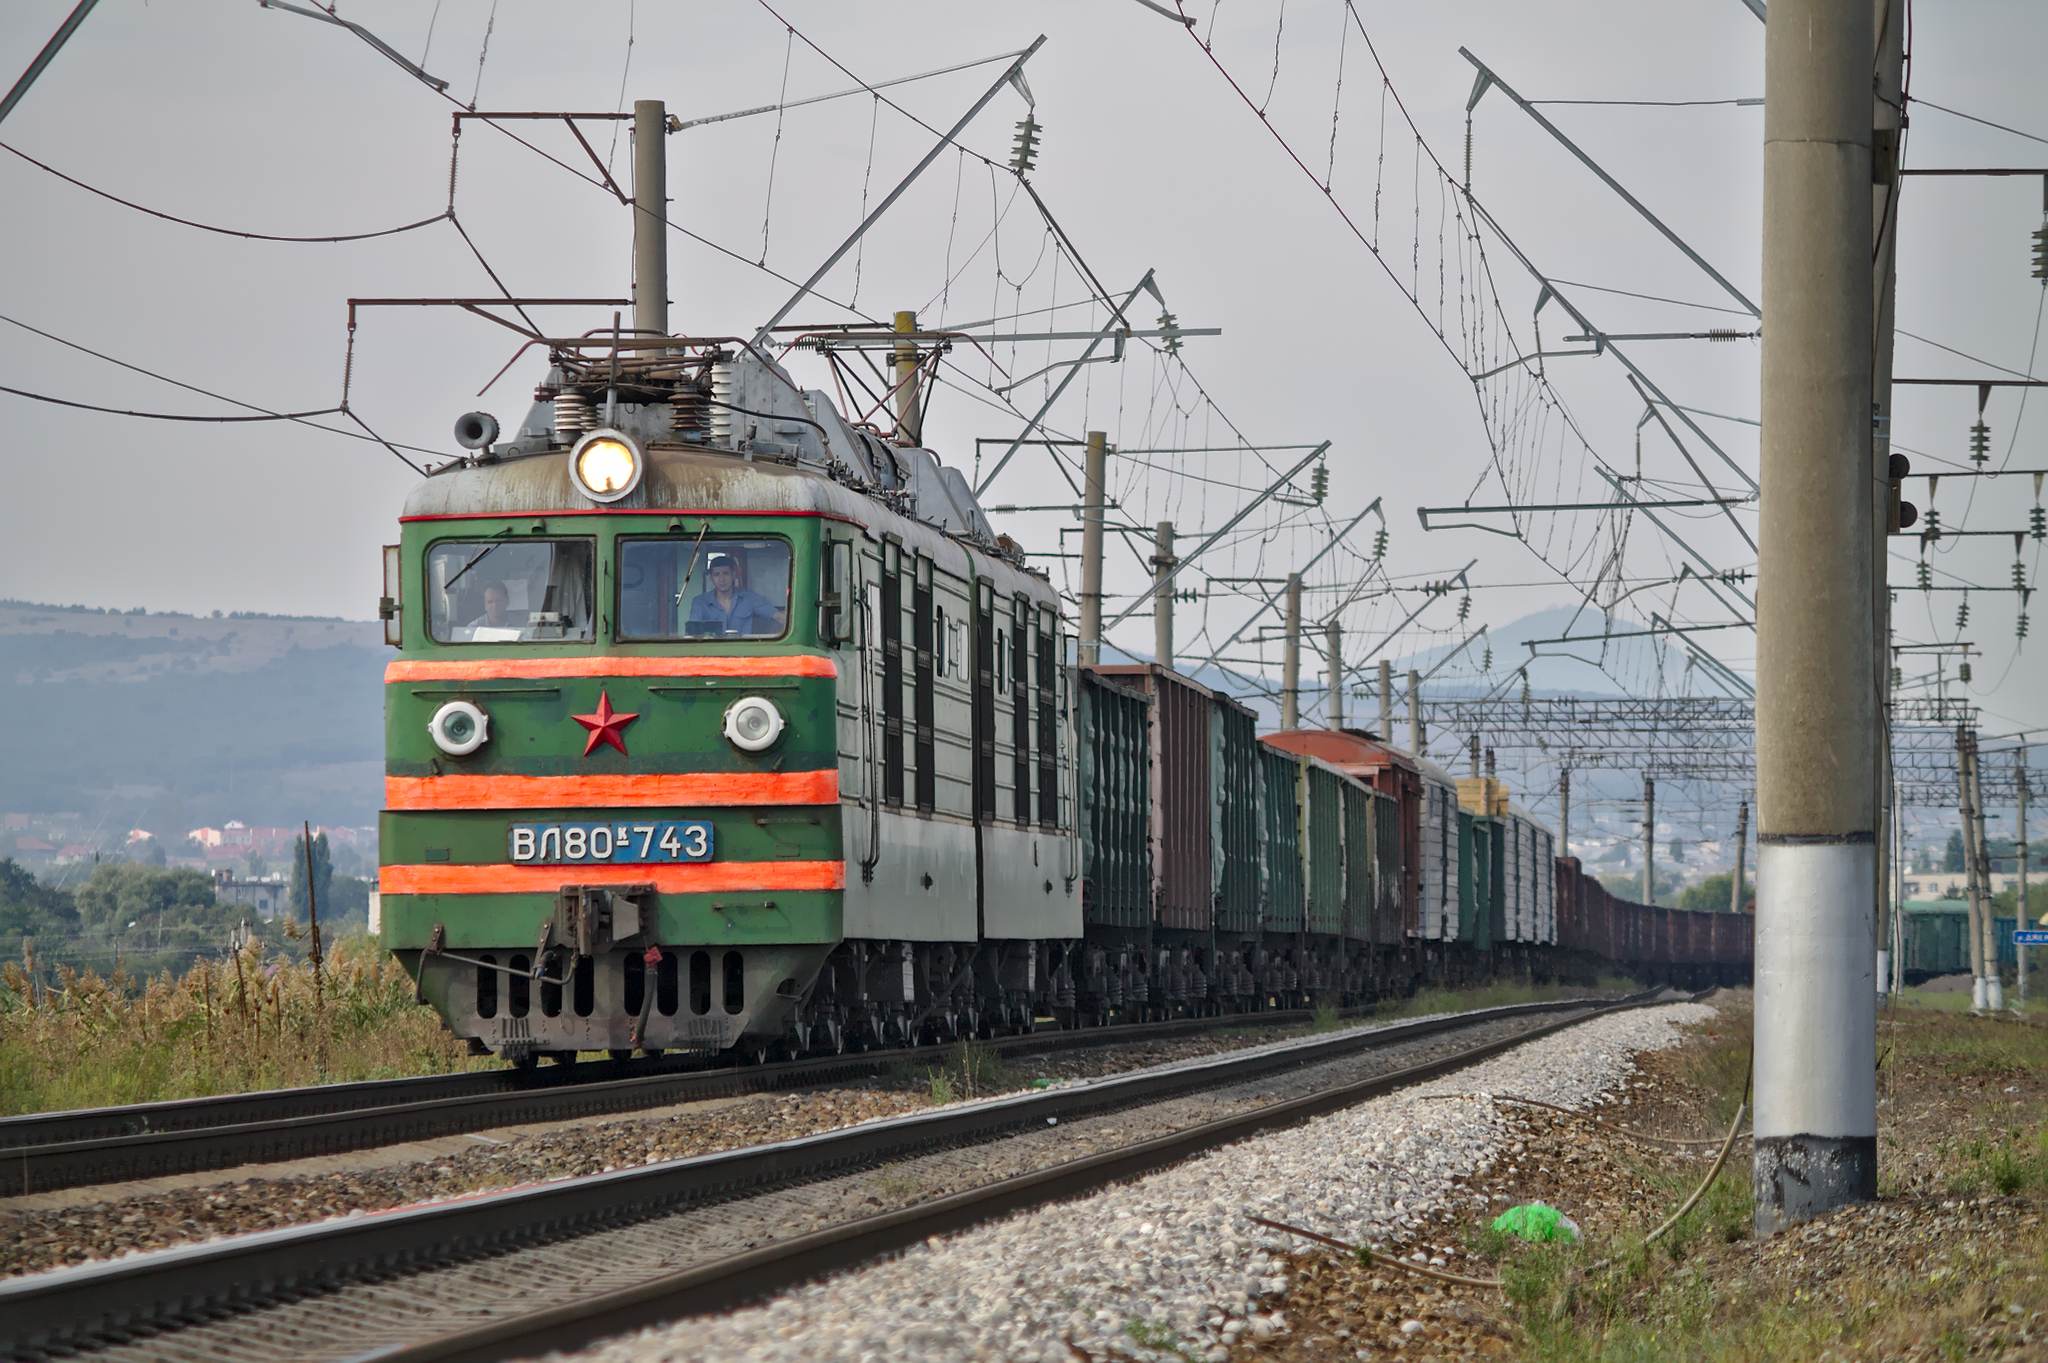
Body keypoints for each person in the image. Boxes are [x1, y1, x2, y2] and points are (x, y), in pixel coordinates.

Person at [688, 555, 785, 636]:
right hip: (712, 655)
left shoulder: (749, 598)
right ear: (711, 578)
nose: (721, 579)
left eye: (726, 573)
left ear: (734, 575)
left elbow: (779, 617)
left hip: (743, 654)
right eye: (717, 574)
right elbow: (692, 634)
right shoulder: (700, 603)